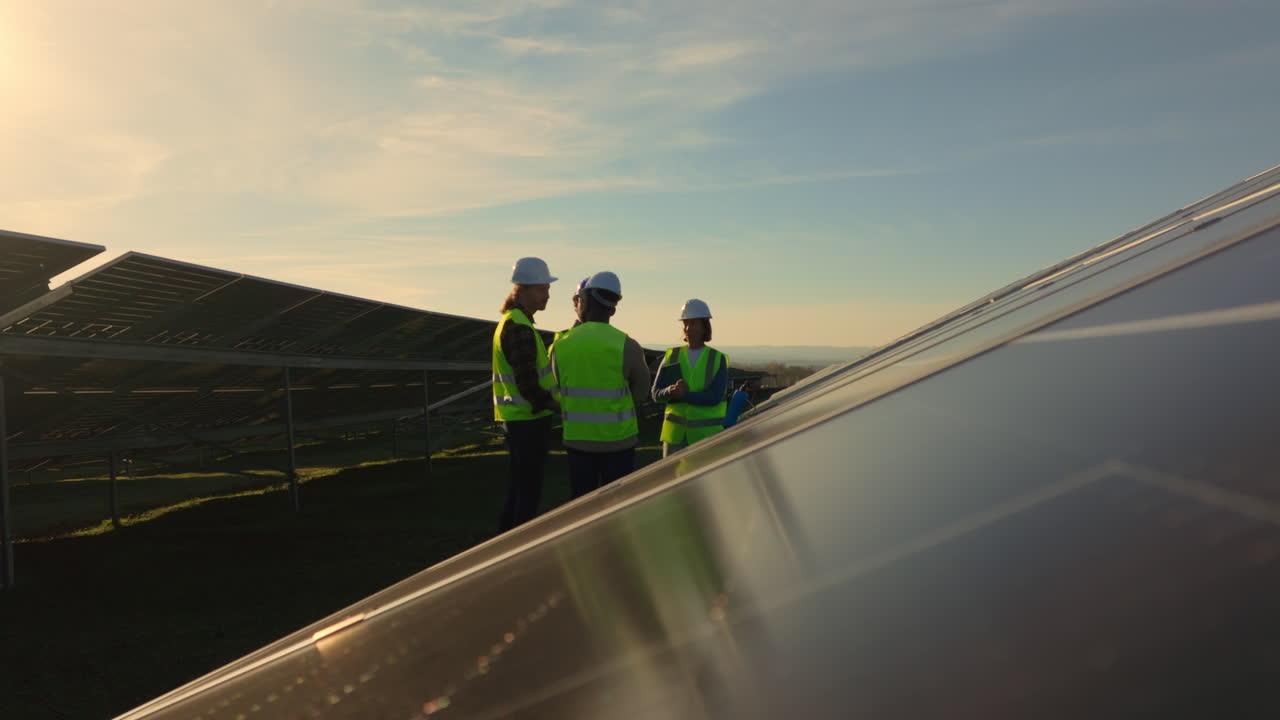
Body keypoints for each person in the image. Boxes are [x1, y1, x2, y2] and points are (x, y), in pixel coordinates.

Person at [549, 271, 651, 498]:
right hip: (619, 443)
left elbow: (557, 387)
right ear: (613, 309)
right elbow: (641, 391)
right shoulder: (627, 345)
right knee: (618, 505)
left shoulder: (561, 345)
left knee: (583, 505)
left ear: (583, 302)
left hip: (578, 442)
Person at [493, 257, 561, 532]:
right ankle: (520, 545)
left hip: (519, 420)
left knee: (519, 489)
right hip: (528, 421)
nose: (547, 294)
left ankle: (504, 543)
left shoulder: (513, 322)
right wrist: (556, 406)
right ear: (524, 289)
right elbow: (528, 384)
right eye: (542, 288)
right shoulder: (519, 327)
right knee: (527, 494)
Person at [652, 299, 729, 457]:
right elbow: (655, 393)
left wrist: (684, 395)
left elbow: (715, 397)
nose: (687, 328)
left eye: (693, 323)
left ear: (704, 326)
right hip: (675, 438)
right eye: (685, 323)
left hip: (706, 438)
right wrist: (670, 391)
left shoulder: (717, 358)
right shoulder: (671, 356)